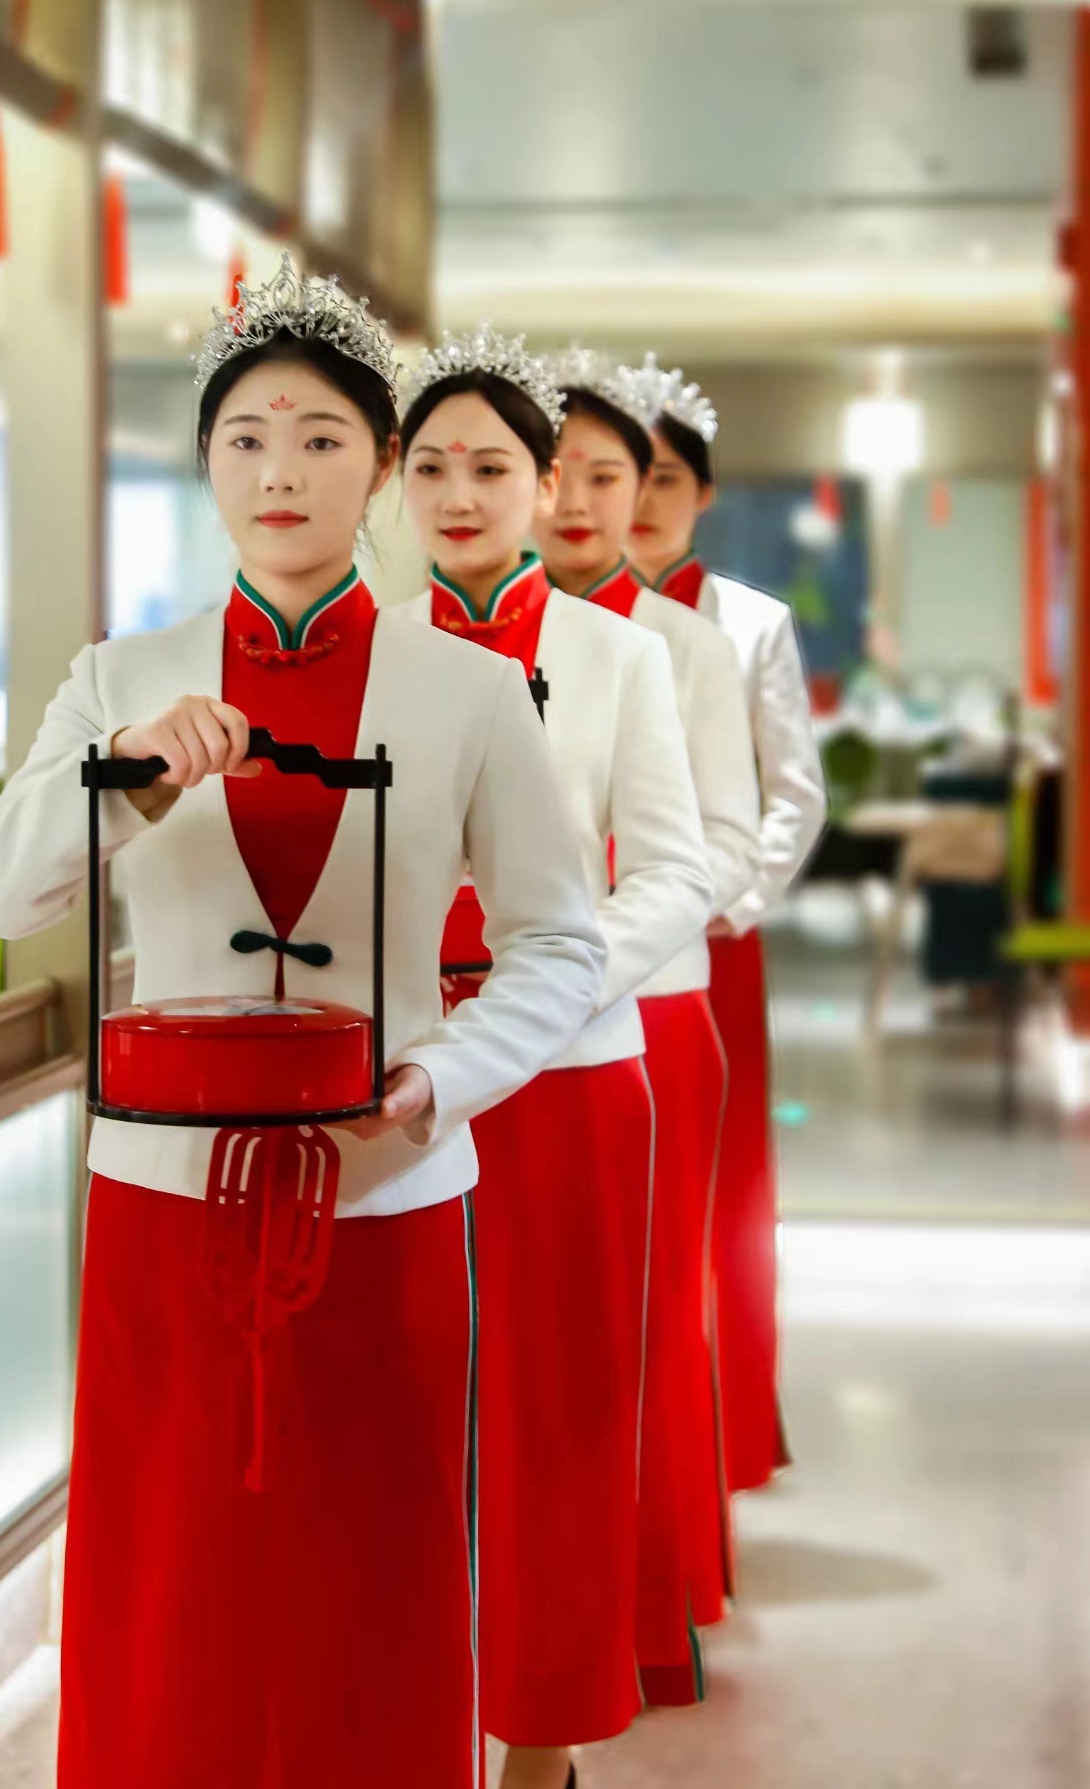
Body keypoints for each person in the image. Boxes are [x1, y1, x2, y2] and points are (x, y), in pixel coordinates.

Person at [0, 259, 610, 1789]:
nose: (280, 472)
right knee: (170, 1582)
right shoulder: (118, 680)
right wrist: (122, 778)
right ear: (205, 464)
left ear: (378, 467)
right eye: (245, 438)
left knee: (372, 1578)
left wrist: (439, 1078)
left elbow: (560, 945)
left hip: (386, 1194)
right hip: (164, 1202)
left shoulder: (471, 691)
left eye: (321, 439)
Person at [397, 327, 713, 1789]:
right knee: (406, 1427)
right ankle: (414, 1720)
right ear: (399, 486)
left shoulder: (618, 656)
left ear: (543, 486)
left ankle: (538, 1748)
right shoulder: (376, 653)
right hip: (408, 1086)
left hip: (575, 1084)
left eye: (493, 468)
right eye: (432, 468)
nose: (462, 497)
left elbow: (676, 869)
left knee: (559, 1427)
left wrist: (555, 975)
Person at [533, 350, 761, 1696]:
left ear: (644, 493)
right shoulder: (455, 638)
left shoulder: (685, 651)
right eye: (551, 471)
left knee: (648, 1321)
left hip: (649, 1016)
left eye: (605, 476)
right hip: (487, 1035)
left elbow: (724, 846)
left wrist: (580, 957)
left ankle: (641, 1607)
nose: (572, 501)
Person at [626, 355, 827, 1496]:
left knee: (723, 1192)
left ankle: (727, 1423)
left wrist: (725, 905)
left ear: (701, 492)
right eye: (627, 474)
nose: (644, 499)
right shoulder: (564, 615)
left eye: (668, 477)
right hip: (595, 941)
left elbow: (791, 792)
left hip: (712, 940)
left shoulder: (750, 624)